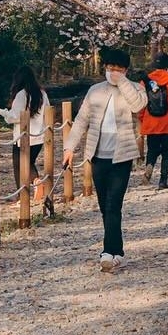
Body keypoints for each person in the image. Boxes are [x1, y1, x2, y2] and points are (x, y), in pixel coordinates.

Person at [63, 46, 149, 270]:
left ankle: (107, 251)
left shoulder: (134, 89)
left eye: (118, 68)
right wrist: (69, 148)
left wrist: (122, 82)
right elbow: (81, 120)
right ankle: (117, 250)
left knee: (114, 203)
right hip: (98, 155)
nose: (113, 72)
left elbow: (138, 105)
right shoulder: (95, 91)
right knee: (104, 205)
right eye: (110, 68)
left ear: (126, 70)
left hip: (122, 155)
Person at [2, 65, 51, 216]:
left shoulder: (21, 95)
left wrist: (1, 112)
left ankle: (22, 196)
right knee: (28, 162)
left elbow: (15, 116)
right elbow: (48, 111)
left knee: (19, 164)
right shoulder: (42, 93)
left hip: (23, 137)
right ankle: (36, 183)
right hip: (40, 135)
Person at [140, 52, 168, 191]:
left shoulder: (145, 81)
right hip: (167, 122)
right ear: (167, 66)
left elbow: (140, 103)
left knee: (152, 149)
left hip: (150, 121)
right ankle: (163, 181)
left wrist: (142, 118)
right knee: (166, 152)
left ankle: (150, 165)